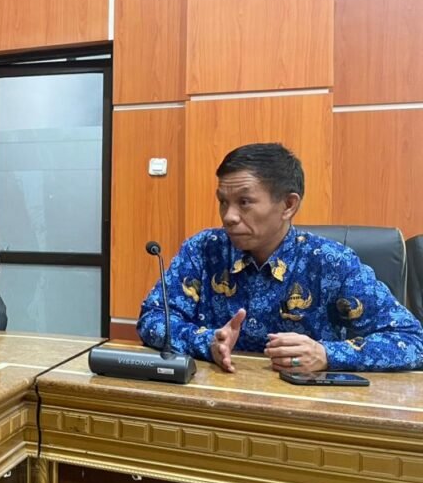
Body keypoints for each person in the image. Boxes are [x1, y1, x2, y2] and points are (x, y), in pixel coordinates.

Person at [137, 142, 423, 373]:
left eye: (244, 202)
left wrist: (326, 354)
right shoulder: (203, 249)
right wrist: (207, 342)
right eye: (223, 201)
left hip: (304, 410)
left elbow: (411, 341)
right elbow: (153, 318)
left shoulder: (331, 262)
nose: (229, 216)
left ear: (288, 205)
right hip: (215, 399)